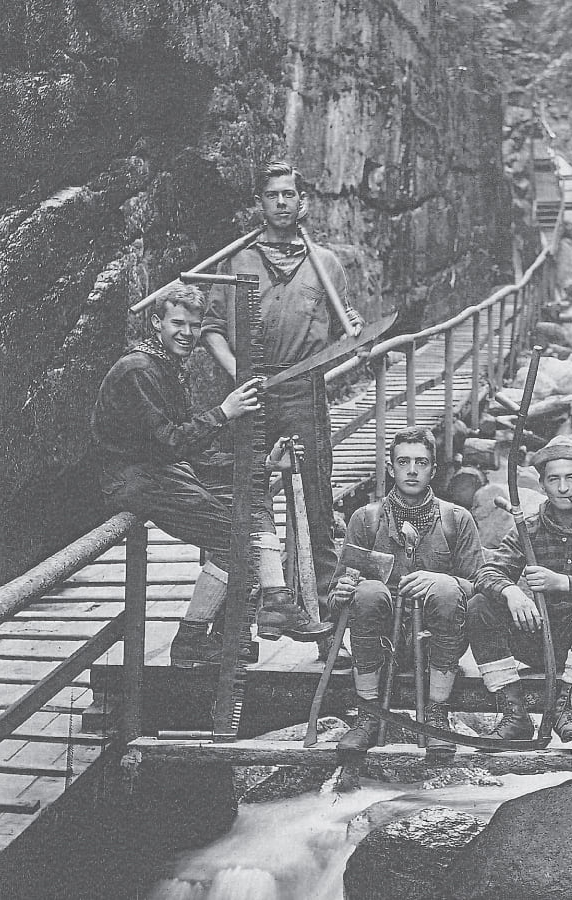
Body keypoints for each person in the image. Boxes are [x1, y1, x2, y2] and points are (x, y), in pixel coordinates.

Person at [92, 283, 330, 668]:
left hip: (162, 469)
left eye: (195, 325)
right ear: (156, 323)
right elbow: (171, 442)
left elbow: (192, 448)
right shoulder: (138, 370)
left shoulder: (164, 365)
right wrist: (225, 412)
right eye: (177, 323)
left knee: (250, 489)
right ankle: (197, 636)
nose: (187, 333)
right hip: (132, 478)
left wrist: (264, 465)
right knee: (235, 537)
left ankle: (275, 601)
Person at [200, 160, 364, 665]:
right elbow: (210, 327)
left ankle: (326, 632)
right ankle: (238, 630)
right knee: (241, 505)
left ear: (303, 202)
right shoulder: (238, 261)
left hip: (303, 391)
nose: (281, 203)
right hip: (250, 392)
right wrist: (237, 374)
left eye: (289, 194)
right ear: (261, 203)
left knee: (314, 505)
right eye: (271, 195)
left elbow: (344, 335)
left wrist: (351, 329)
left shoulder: (327, 264)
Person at [327, 426, 485, 758]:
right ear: (390, 467)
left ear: (433, 470)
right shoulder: (366, 519)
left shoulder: (457, 519)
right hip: (381, 640)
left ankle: (437, 714)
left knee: (445, 587)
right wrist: (343, 592)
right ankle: (368, 715)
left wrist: (443, 581)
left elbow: (479, 587)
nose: (412, 470)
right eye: (403, 462)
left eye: (421, 462)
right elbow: (334, 597)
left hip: (437, 641)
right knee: (368, 591)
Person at [469, 436, 572, 745]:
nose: (562, 488)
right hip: (540, 641)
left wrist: (563, 583)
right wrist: (511, 592)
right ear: (542, 485)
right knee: (480, 604)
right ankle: (514, 712)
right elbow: (486, 573)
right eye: (553, 479)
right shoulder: (527, 528)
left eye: (571, 478)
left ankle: (566, 708)